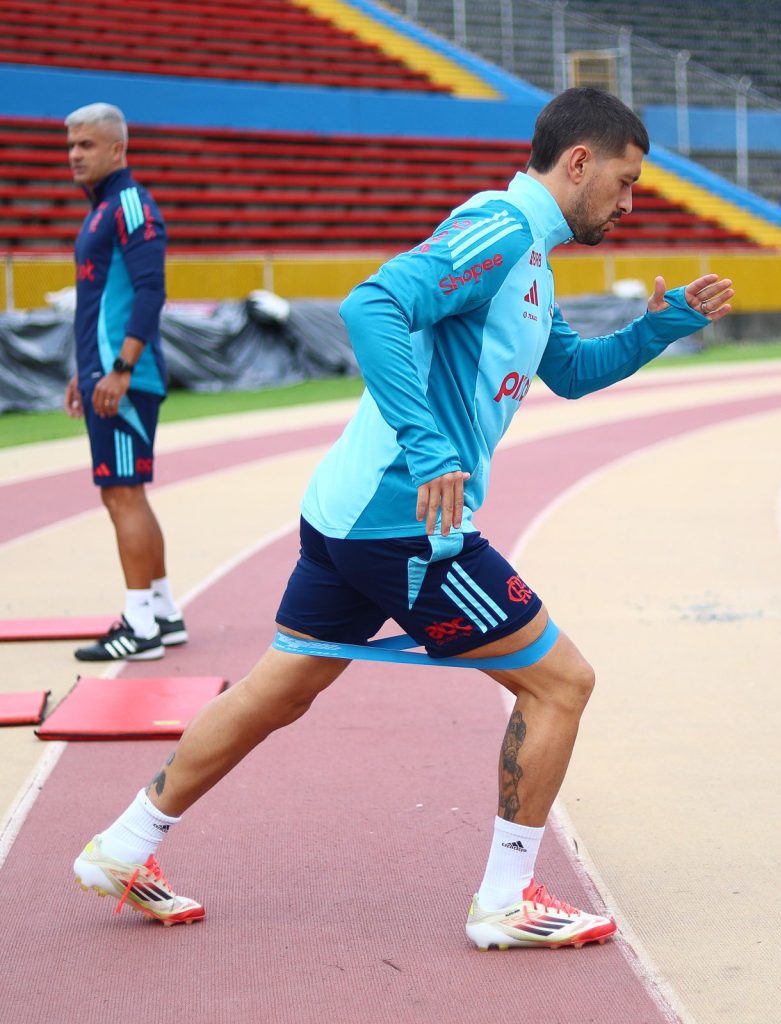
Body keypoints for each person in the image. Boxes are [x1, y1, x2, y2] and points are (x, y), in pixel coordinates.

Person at [73, 88, 732, 945]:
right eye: (625, 180)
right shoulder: (499, 230)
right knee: (559, 683)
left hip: (350, 513)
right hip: (402, 519)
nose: (629, 202)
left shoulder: (528, 253)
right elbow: (371, 305)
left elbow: (567, 371)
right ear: (579, 162)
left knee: (280, 688)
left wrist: (659, 327)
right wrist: (427, 445)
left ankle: (124, 844)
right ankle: (505, 901)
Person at [63, 103, 187, 662]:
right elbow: (103, 304)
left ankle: (140, 628)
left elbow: (150, 290)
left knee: (122, 492)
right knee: (126, 490)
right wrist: (85, 369)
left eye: (86, 145)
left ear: (117, 149)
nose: (74, 155)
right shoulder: (102, 210)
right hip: (106, 374)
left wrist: (120, 368)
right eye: (71, 145)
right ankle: (163, 611)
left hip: (125, 381)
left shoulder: (129, 205)